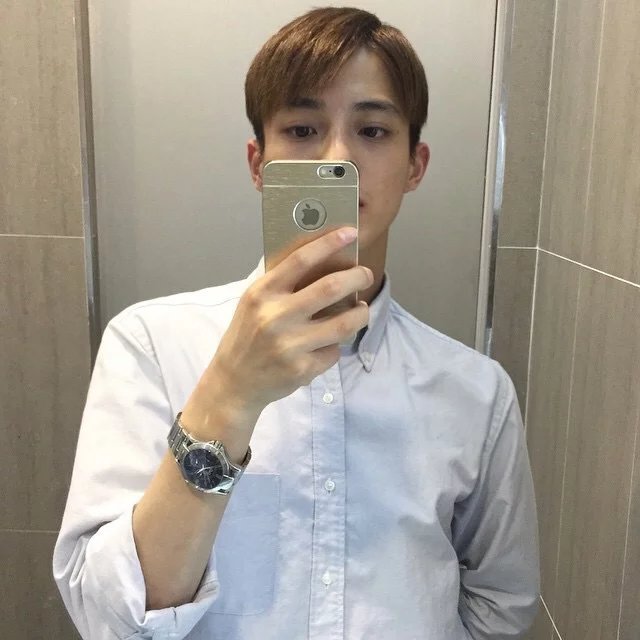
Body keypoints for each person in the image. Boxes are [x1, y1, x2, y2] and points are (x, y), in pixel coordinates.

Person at [53, 7, 540, 639]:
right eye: (303, 129)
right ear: (260, 164)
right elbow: (108, 619)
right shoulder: (149, 346)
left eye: (372, 130)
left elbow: (501, 602)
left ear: (414, 165)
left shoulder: (476, 391)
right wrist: (228, 398)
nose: (338, 157)